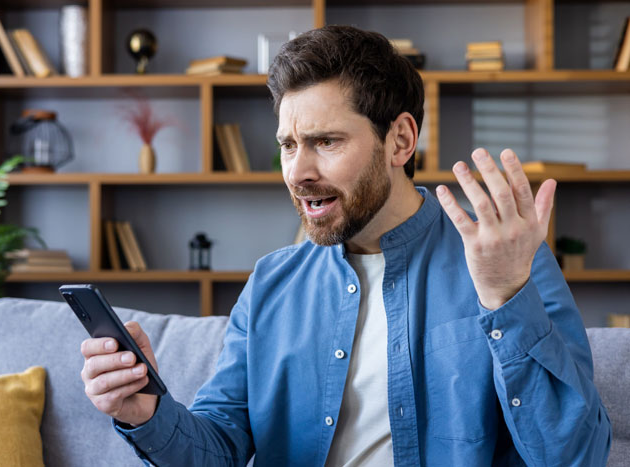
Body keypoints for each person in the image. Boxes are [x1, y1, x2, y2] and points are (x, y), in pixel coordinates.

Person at [79, 25, 612, 466]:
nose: (299, 172)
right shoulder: (271, 283)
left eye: (326, 142)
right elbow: (219, 448)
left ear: (400, 140)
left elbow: (574, 456)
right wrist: (145, 412)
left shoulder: (508, 260)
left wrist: (504, 297)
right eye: (289, 146)